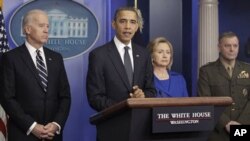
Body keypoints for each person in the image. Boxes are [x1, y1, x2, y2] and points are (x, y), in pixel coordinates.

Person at [0, 9, 71, 141]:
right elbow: (7, 98)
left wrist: (56, 124)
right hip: (23, 134)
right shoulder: (10, 58)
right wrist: (32, 126)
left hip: (52, 135)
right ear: (28, 29)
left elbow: (65, 96)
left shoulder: (56, 58)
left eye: (47, 26)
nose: (46, 30)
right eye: (41, 25)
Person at [86, 7, 156, 112]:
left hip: (141, 122)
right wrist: (125, 105)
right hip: (112, 122)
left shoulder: (144, 54)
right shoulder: (99, 55)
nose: (128, 27)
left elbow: (151, 90)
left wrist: (143, 96)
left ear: (137, 26)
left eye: (132, 22)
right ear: (114, 24)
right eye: (123, 21)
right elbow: (95, 98)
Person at [198, 31, 250, 141]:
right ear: (219, 47)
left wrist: (240, 126)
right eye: (227, 46)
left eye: (235, 45)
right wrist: (226, 123)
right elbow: (204, 101)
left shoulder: (248, 69)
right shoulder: (206, 71)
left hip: (244, 128)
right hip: (218, 131)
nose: (232, 49)